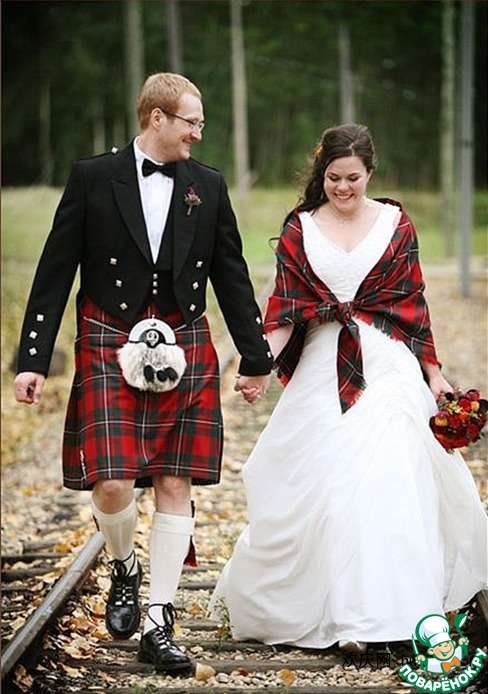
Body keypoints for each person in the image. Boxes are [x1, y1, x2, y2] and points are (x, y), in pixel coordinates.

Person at [14, 72, 272, 676]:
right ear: (157, 118)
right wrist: (32, 358)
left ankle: (159, 620)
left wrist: (255, 357)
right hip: (109, 336)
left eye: (200, 123)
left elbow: (231, 273)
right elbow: (55, 270)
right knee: (112, 483)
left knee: (174, 481)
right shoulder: (93, 177)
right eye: (191, 122)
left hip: (184, 338)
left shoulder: (207, 185)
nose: (198, 132)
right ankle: (124, 566)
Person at [209, 123, 487, 654]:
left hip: (389, 363)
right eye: (334, 177)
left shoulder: (396, 224)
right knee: (328, 488)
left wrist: (434, 374)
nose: (342, 188)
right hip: (324, 362)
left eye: (353, 178)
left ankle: (385, 615)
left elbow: (414, 307)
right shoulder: (300, 228)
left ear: (370, 174)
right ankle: (336, 612)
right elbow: (285, 312)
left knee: (390, 478)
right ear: (323, 174)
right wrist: (257, 365)